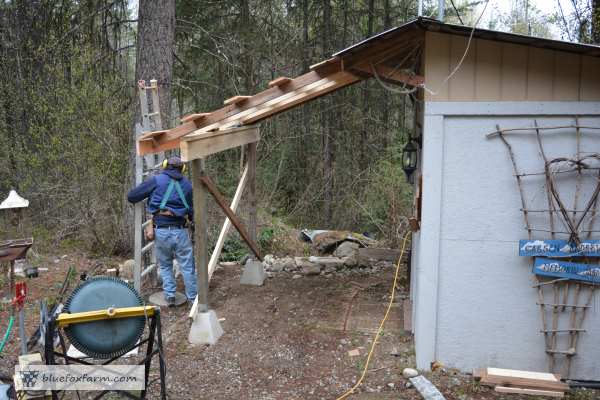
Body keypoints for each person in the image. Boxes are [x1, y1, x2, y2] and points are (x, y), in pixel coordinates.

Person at [127, 156, 197, 306]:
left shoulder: (156, 180)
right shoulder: (187, 184)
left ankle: (170, 296)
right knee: (187, 266)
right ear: (182, 169)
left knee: (165, 265)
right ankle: (193, 300)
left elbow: (132, 196)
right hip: (180, 231)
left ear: (165, 165)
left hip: (161, 231)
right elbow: (191, 210)